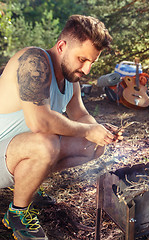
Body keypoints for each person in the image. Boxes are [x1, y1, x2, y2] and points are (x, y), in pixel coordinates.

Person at [0, 15, 122, 239]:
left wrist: (100, 132)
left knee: (93, 147)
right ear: (62, 46)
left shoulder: (71, 78)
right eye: (82, 59)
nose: (86, 69)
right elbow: (40, 122)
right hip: (4, 150)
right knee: (46, 142)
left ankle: (26, 183)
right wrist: (87, 130)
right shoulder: (33, 60)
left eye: (91, 62)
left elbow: (80, 114)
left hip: (15, 154)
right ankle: (17, 214)